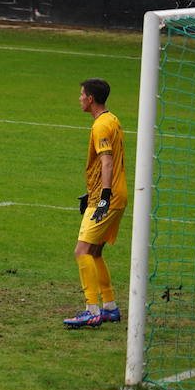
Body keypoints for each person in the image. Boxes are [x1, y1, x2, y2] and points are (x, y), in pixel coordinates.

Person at [65, 78, 127, 328]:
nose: (79, 98)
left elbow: (107, 162)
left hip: (107, 199)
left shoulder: (101, 126)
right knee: (95, 251)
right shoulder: (113, 120)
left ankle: (91, 310)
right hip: (115, 195)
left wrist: (102, 199)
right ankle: (110, 307)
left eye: (82, 95)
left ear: (91, 99)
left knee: (81, 251)